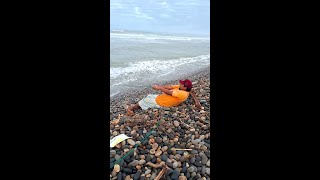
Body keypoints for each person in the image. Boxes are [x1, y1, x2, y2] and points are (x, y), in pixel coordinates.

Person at [127, 79, 201, 115]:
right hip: (161, 97)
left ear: (185, 87)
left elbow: (168, 92)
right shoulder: (181, 87)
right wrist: (159, 86)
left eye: (182, 84)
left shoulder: (183, 94)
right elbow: (169, 87)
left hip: (161, 103)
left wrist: (159, 88)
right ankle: (138, 106)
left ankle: (131, 109)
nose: (180, 84)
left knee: (145, 100)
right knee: (149, 96)